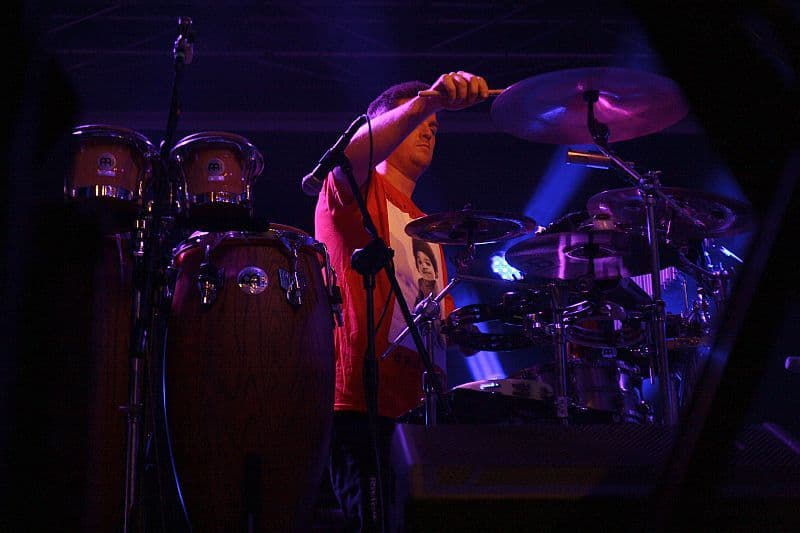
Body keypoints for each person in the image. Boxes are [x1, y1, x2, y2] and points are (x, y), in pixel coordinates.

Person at [313, 71, 489, 531]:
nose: (430, 128)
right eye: (418, 120)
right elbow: (348, 156)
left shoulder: (431, 229)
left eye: (434, 125)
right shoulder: (353, 192)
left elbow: (439, 320)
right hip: (364, 409)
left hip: (424, 414)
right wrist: (427, 101)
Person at [412, 238, 439, 306]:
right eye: (420, 262)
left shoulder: (438, 293)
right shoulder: (418, 288)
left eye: (427, 263)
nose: (424, 267)